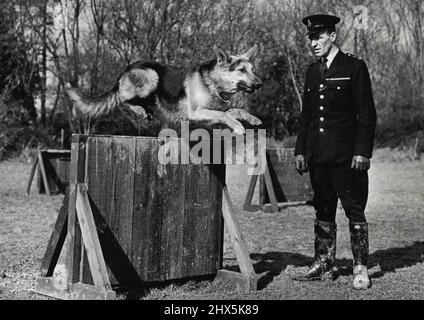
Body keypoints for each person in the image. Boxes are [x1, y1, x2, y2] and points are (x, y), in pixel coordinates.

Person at [293, 14, 377, 290]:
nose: (313, 43)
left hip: (347, 157)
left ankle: (360, 268)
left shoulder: (354, 67)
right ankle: (323, 263)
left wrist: (362, 152)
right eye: (310, 38)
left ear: (332, 36)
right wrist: (300, 150)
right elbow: (307, 116)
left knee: (354, 209)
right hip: (318, 156)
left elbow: (366, 114)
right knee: (323, 208)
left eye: (318, 37)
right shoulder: (311, 71)